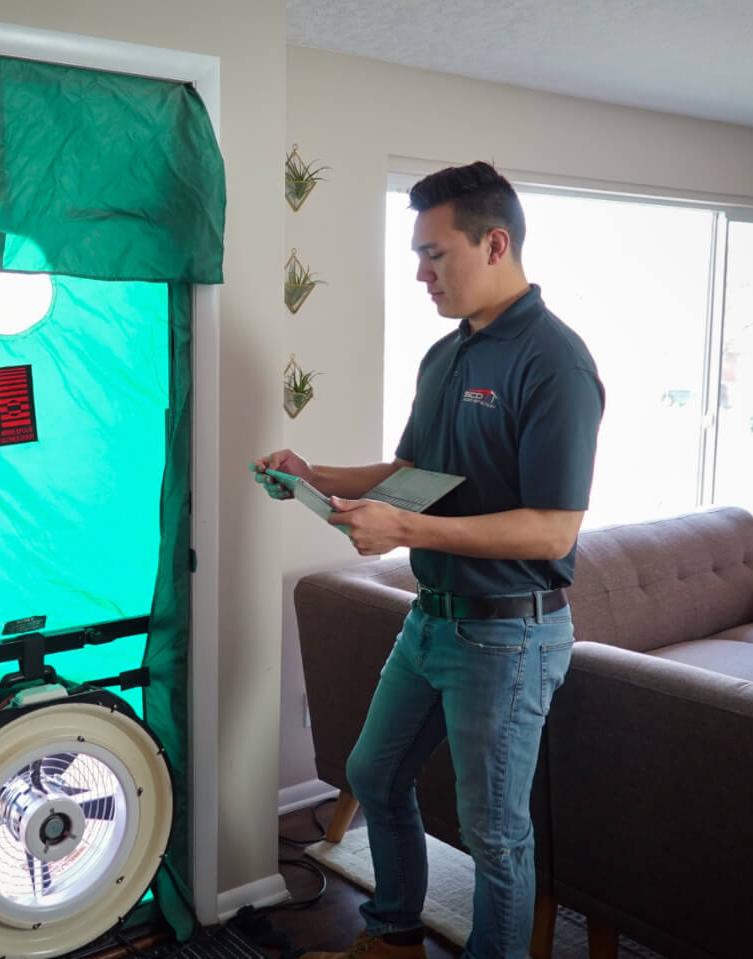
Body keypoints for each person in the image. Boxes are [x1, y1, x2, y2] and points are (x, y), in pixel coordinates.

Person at [254, 161, 604, 959]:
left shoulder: (555, 361)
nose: (420, 273)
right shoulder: (446, 357)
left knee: (495, 836)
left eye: (434, 253)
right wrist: (314, 477)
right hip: (433, 621)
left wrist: (408, 533)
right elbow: (409, 477)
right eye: (417, 254)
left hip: (511, 637)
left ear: (495, 243)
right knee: (373, 773)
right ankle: (392, 936)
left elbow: (554, 530)